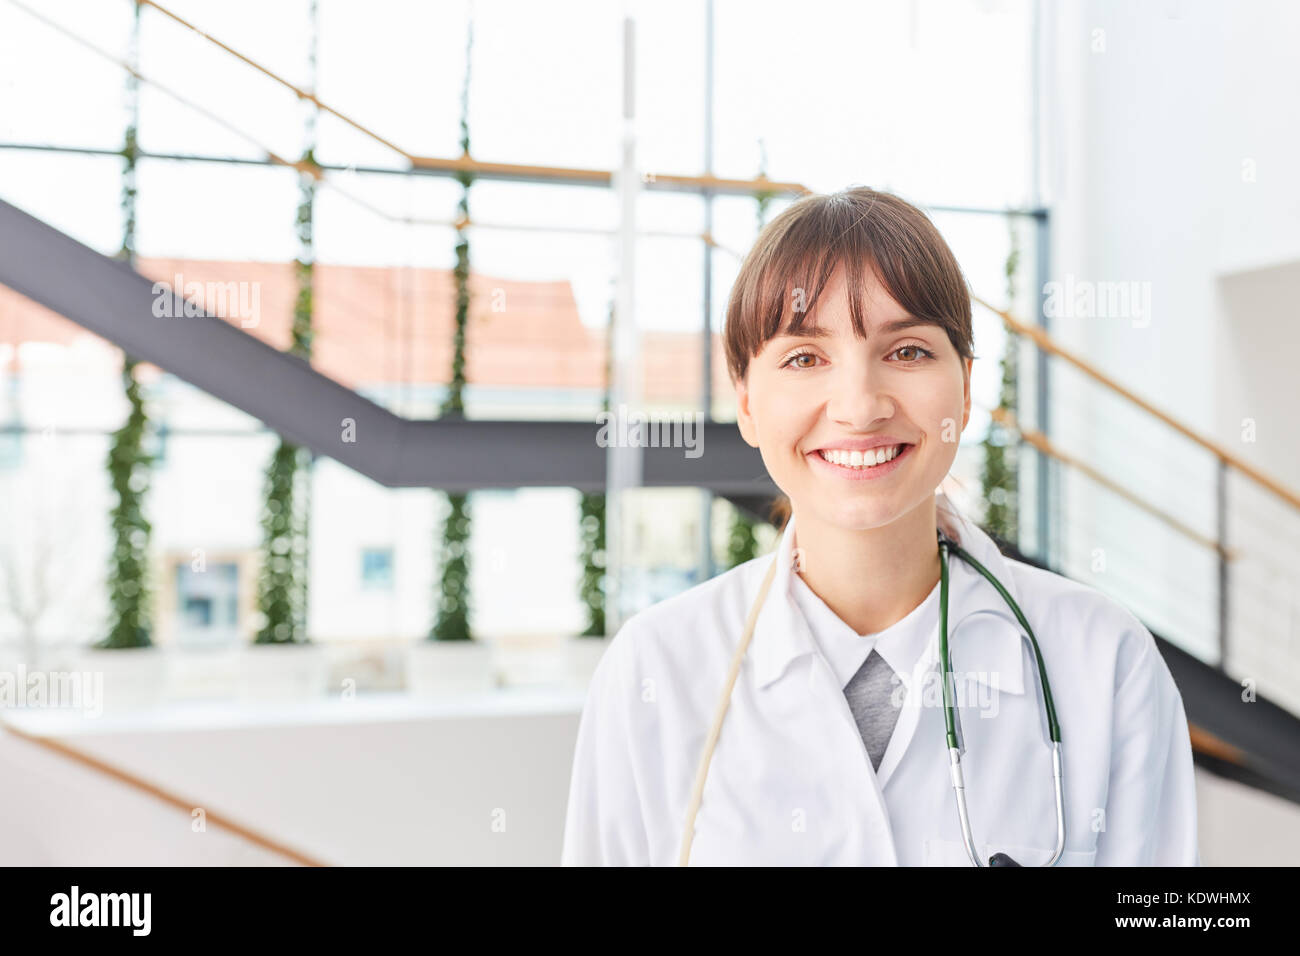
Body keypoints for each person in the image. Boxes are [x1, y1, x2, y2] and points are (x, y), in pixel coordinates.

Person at [561, 186, 1199, 866]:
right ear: (746, 400)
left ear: (965, 386)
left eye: (908, 352)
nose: (860, 407)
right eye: (805, 357)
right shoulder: (655, 669)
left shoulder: (1105, 661)